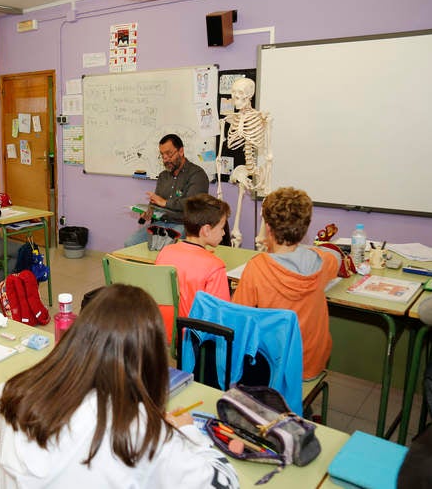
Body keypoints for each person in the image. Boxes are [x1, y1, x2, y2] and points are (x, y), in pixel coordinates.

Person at [0, 284, 239, 488]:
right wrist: (191, 434)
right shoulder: (140, 432)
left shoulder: (15, 392)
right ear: (150, 359)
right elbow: (224, 483)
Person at [232, 187, 340, 380]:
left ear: (269, 229)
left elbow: (238, 318)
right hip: (310, 363)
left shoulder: (256, 268)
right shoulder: (321, 262)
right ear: (305, 228)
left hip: (273, 367)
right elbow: (337, 257)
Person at [156, 193, 231, 323]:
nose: (224, 233)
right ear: (206, 230)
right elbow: (221, 315)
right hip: (195, 337)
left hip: (164, 332)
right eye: (222, 227)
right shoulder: (215, 266)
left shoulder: (165, 252)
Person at [124, 134, 210, 247]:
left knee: (165, 250)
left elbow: (192, 205)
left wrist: (165, 202)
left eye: (169, 153)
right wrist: (149, 212)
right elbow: (156, 201)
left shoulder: (197, 175)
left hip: (184, 225)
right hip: (160, 223)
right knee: (130, 244)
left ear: (181, 151)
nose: (165, 159)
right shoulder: (163, 176)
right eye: (162, 155)